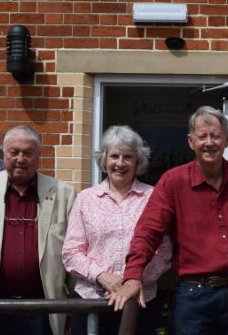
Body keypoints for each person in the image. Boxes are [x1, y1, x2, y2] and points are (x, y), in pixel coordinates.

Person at [108, 106, 228, 335]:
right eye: (202, 136)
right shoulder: (173, 181)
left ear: (227, 139)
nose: (209, 142)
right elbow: (148, 232)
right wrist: (133, 275)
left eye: (216, 136)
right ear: (191, 141)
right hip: (193, 297)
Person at [62, 125, 172, 335]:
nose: (120, 163)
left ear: (137, 160)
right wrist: (102, 276)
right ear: (104, 160)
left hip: (138, 302)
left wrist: (132, 280)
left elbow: (164, 252)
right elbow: (71, 253)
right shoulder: (86, 199)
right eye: (114, 156)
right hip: (91, 302)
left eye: (127, 157)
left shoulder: (154, 198)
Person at [0, 125, 77, 335]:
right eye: (14, 152)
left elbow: (74, 251)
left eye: (28, 153)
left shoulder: (65, 194)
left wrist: (71, 301)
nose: (21, 158)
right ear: (3, 154)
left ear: (38, 156)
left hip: (44, 307)